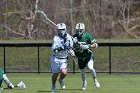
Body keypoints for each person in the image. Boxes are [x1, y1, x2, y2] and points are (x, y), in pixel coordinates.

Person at [73, 23, 100, 90]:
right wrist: (74, 48)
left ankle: (95, 80)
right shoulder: (74, 37)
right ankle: (84, 82)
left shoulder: (87, 36)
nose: (79, 32)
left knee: (90, 68)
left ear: (83, 30)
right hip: (80, 57)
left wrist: (88, 46)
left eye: (80, 30)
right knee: (82, 71)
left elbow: (96, 45)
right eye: (77, 30)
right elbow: (72, 47)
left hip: (88, 56)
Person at [50, 23, 74, 92]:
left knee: (64, 72)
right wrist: (62, 47)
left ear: (65, 29)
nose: (61, 31)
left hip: (64, 58)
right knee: (55, 74)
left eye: (62, 29)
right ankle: (53, 85)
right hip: (56, 58)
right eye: (59, 30)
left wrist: (71, 51)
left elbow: (70, 47)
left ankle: (60, 80)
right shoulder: (56, 38)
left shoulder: (69, 37)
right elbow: (55, 50)